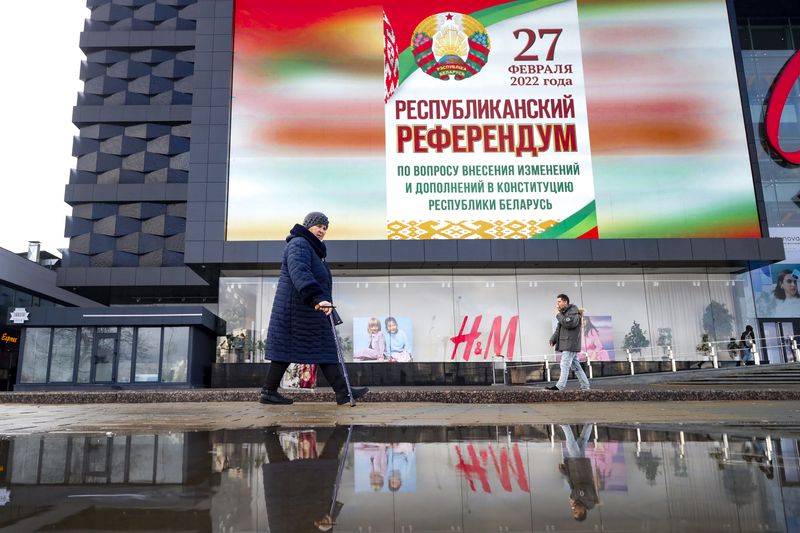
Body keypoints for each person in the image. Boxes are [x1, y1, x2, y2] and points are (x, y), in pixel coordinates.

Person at [260, 211, 368, 405]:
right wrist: (317, 297)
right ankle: (268, 392)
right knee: (291, 349)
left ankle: (342, 392)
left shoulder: (313, 249)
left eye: (325, 228)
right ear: (308, 225)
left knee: (323, 348)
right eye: (318, 226)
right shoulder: (299, 244)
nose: (322, 231)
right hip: (297, 310)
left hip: (309, 309)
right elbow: (300, 272)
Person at [262, 426, 350, 532]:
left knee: (281, 469)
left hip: (294, 514)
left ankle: (341, 431)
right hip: (299, 513)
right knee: (280, 469)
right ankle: (269, 435)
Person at [546, 294, 590, 391]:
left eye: (559, 301)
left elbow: (568, 324)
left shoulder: (574, 313)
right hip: (568, 343)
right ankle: (585, 386)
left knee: (564, 364)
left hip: (570, 343)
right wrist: (553, 338)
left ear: (565, 301)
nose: (557, 304)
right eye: (557, 302)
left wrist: (558, 314)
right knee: (576, 366)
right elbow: (560, 327)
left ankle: (559, 386)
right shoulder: (565, 313)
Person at [558, 424, 599, 522]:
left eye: (574, 512)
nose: (574, 510)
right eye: (576, 512)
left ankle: (589, 424)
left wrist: (564, 472)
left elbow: (572, 484)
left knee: (582, 441)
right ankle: (565, 426)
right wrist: (572, 497)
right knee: (571, 446)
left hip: (576, 469)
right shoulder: (590, 501)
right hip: (580, 469)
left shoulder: (579, 502)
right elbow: (583, 489)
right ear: (582, 511)